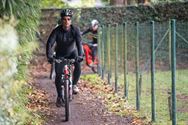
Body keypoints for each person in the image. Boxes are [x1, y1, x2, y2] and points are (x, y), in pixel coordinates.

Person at [46, 9, 83, 107]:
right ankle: (59, 96)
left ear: (71, 20)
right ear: (61, 20)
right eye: (64, 19)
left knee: (78, 66)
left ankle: (74, 84)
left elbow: (79, 44)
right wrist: (49, 56)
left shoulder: (75, 30)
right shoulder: (56, 31)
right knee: (58, 74)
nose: (66, 21)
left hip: (72, 53)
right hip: (60, 54)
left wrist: (80, 55)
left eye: (68, 19)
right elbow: (50, 43)